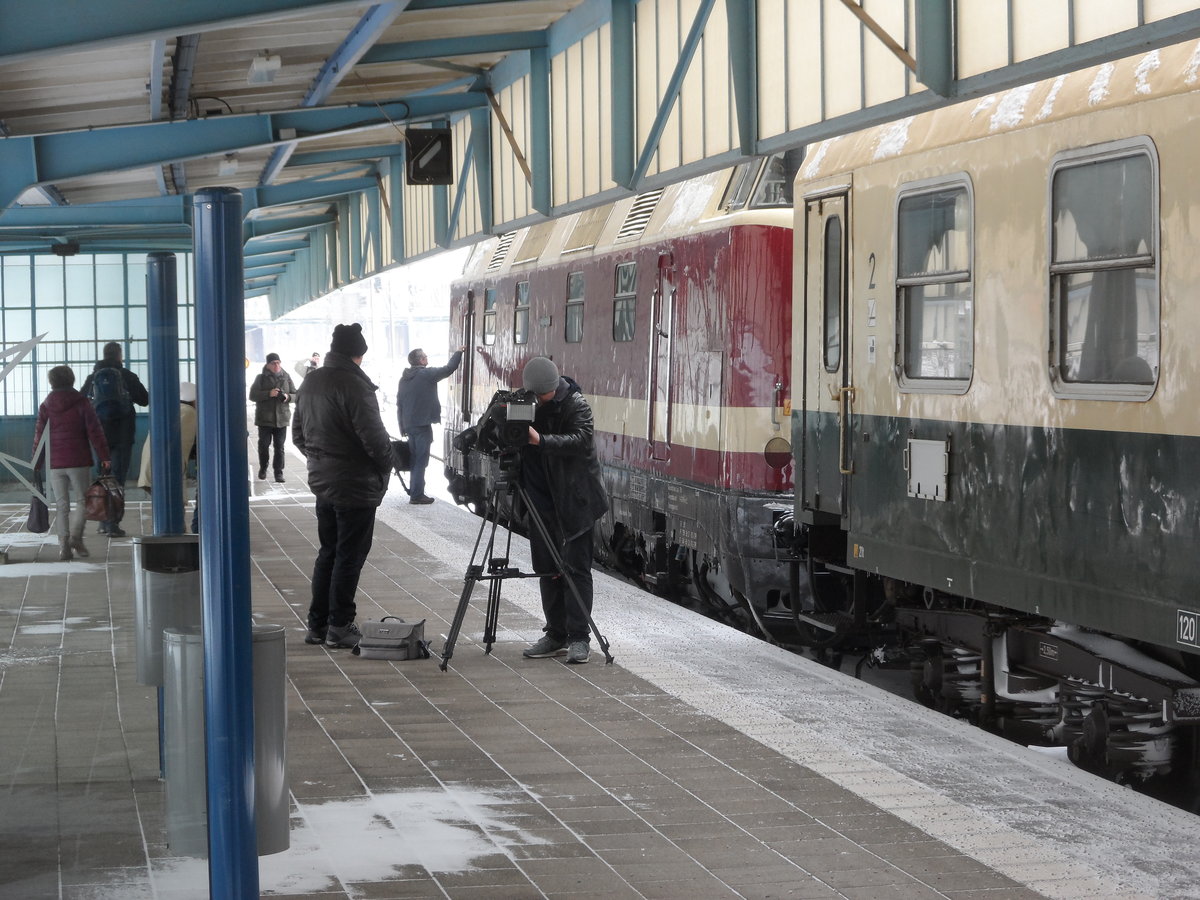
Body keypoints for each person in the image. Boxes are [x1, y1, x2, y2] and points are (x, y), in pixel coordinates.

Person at [292, 324, 394, 650]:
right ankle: (340, 625)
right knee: (349, 557)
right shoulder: (355, 385)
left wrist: (322, 461)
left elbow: (297, 435)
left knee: (329, 553)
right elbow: (376, 441)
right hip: (355, 486)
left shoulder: (311, 380)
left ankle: (317, 625)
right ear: (359, 354)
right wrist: (386, 463)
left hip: (324, 484)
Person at [517, 356, 609, 665]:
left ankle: (579, 638)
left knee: (575, 569)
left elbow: (581, 440)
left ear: (551, 389)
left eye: (538, 395)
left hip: (575, 499)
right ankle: (555, 633)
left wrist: (539, 439)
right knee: (547, 568)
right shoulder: (527, 403)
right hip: (541, 499)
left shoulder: (575, 404)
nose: (535, 401)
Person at [33, 366, 112, 561]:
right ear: (72, 379)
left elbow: (39, 435)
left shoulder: (46, 405)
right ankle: (76, 538)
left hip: (55, 462)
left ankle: (64, 547)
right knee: (82, 502)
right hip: (78, 460)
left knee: (62, 506)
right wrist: (104, 456)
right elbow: (95, 431)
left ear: (52, 382)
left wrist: (36, 461)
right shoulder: (82, 402)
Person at [80, 342, 149, 537]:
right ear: (119, 355)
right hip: (123, 435)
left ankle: (103, 521)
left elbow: (80, 399)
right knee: (117, 479)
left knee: (102, 477)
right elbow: (145, 399)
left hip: (99, 435)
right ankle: (112, 523)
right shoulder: (127, 376)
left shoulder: (93, 377)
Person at [396, 345, 466, 504]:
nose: (427, 358)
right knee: (421, 460)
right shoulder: (426, 374)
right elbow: (449, 368)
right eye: (425, 356)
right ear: (421, 360)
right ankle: (416, 495)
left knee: (415, 459)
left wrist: (402, 426)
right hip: (421, 425)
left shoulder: (404, 378)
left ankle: (415, 490)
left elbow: (399, 404)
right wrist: (459, 352)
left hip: (409, 426)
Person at [137, 382, 199, 528]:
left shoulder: (170, 410)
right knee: (174, 511)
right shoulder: (189, 413)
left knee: (166, 509)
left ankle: (166, 531)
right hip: (167, 470)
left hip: (152, 466)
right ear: (193, 399)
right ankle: (172, 536)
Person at [249, 353, 297, 482]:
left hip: (282, 419)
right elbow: (252, 395)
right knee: (264, 445)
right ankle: (263, 467)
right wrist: (268, 394)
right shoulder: (260, 378)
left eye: (278, 362)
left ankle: (278, 472)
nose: (276, 365)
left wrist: (288, 397)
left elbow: (296, 394)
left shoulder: (286, 377)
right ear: (268, 365)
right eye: (273, 363)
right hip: (265, 419)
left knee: (279, 447)